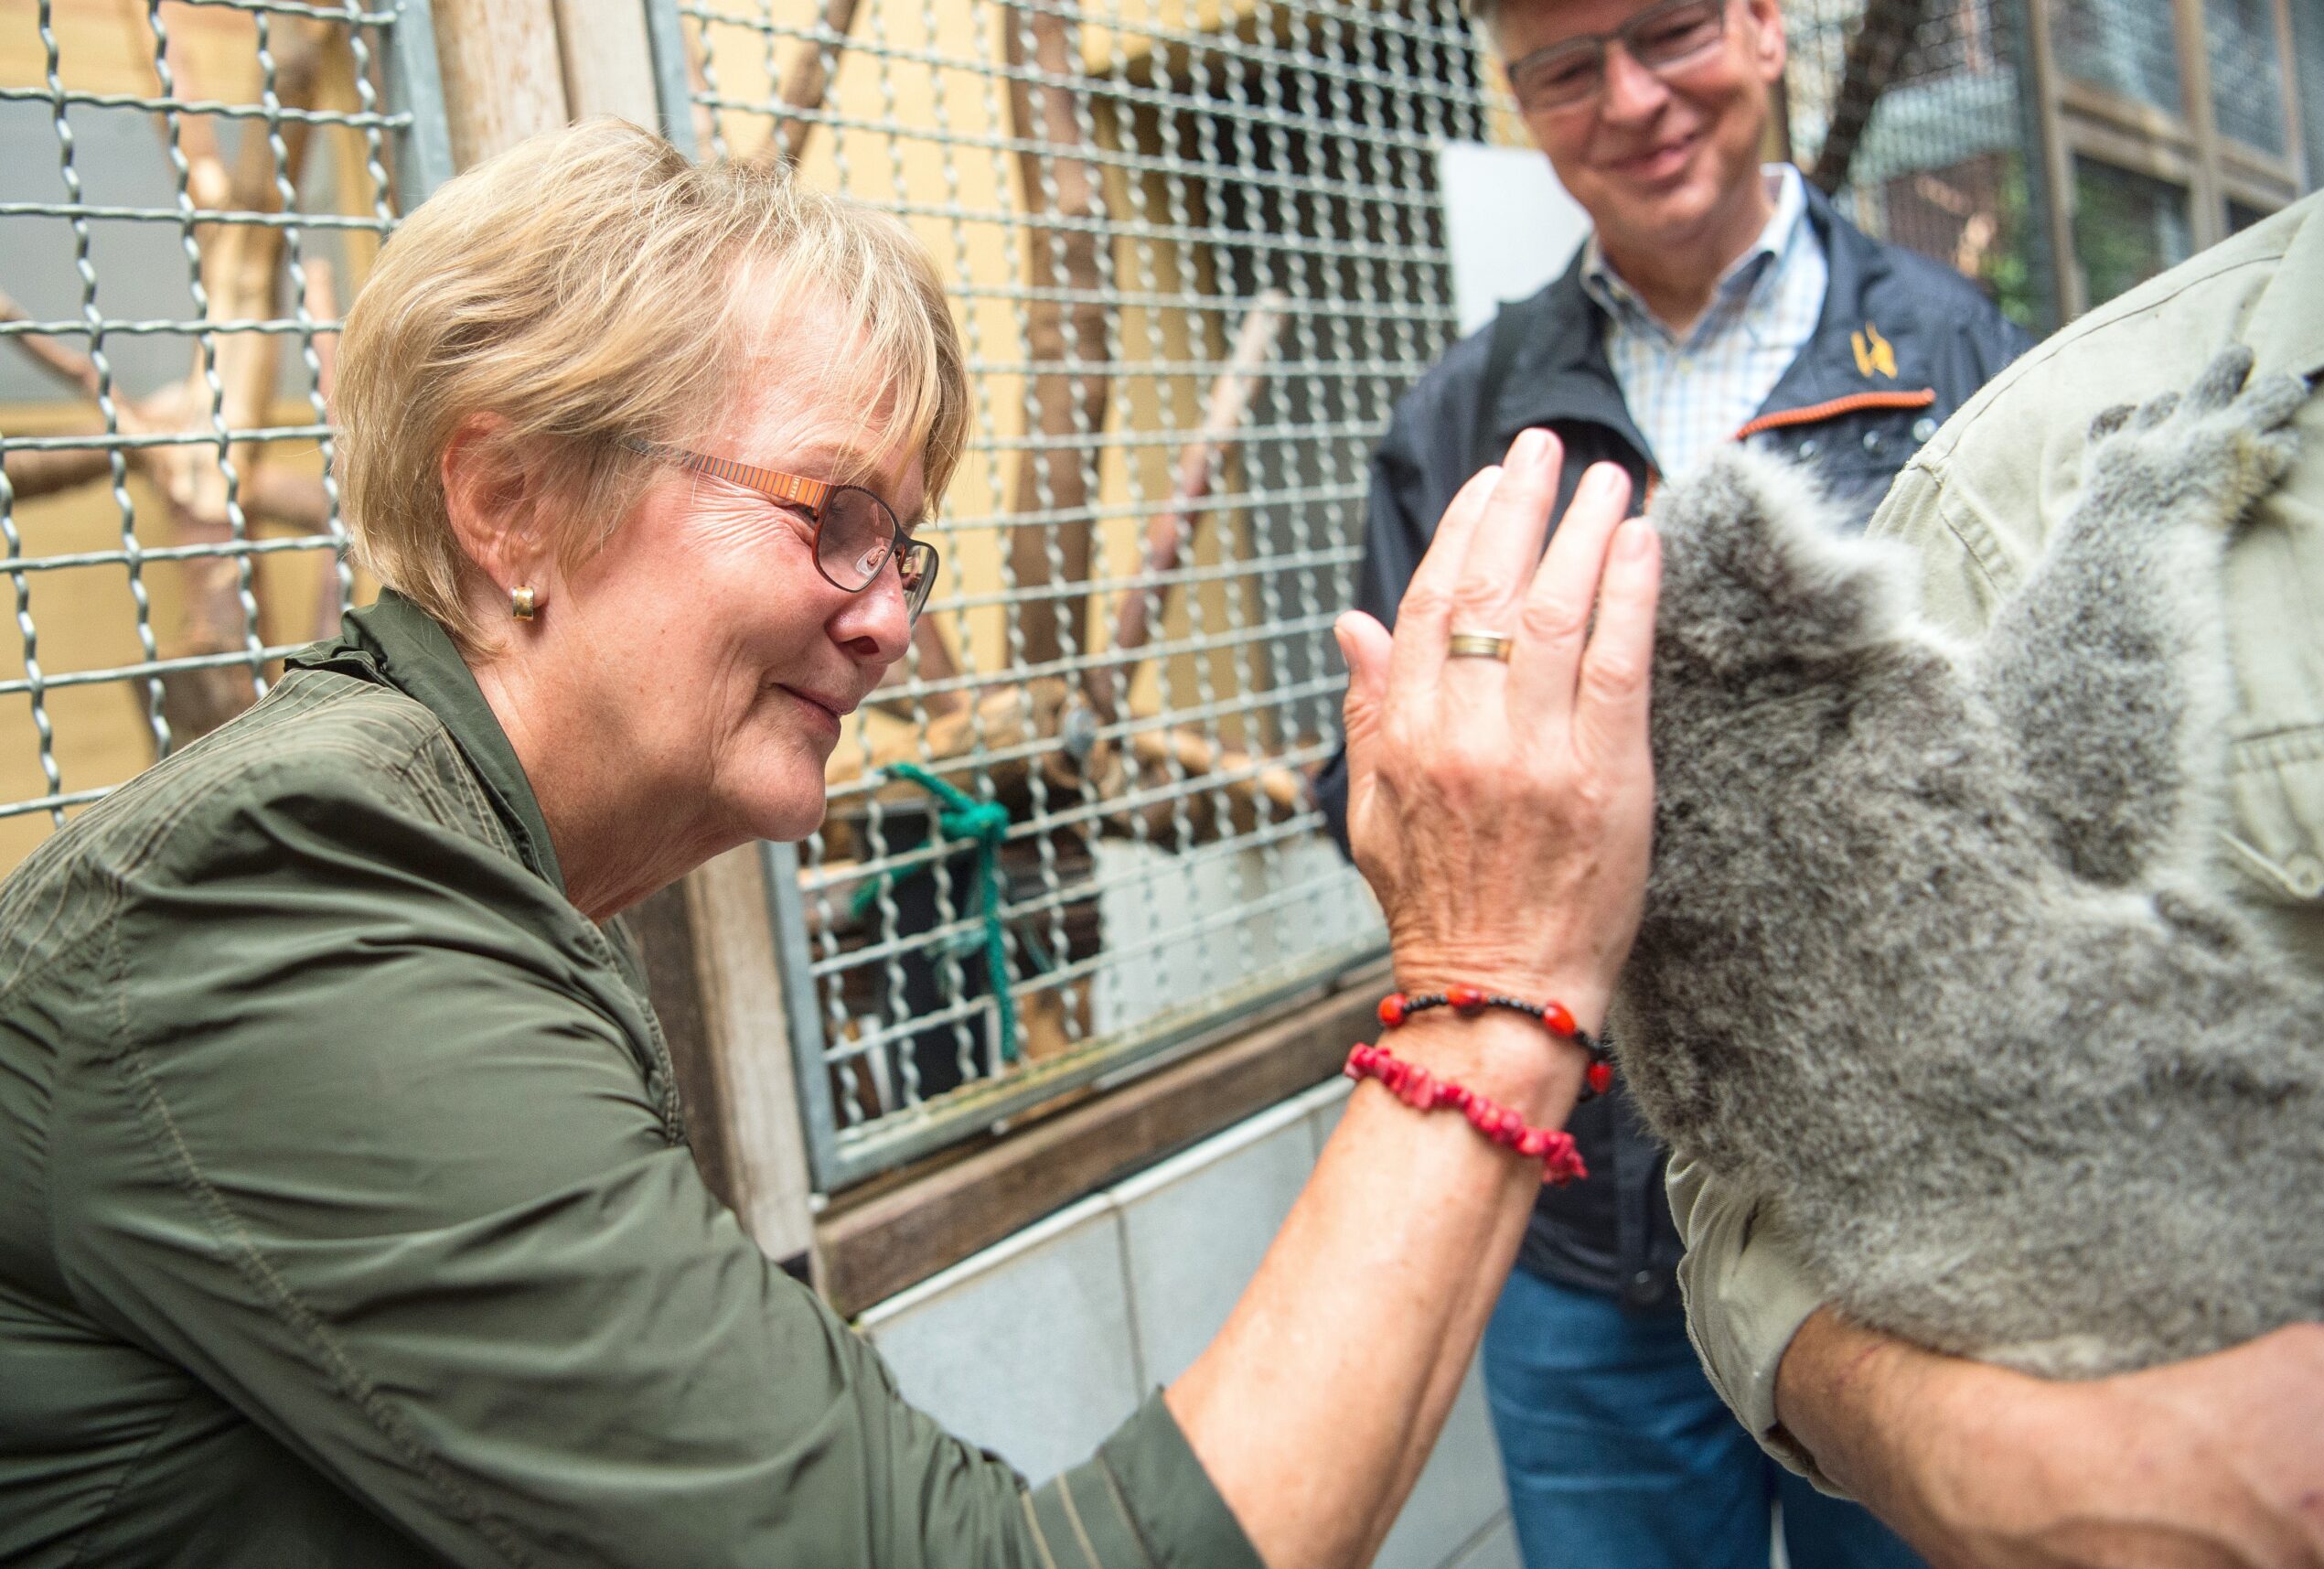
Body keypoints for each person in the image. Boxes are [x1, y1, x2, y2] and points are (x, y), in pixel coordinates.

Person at [0, 120, 1665, 1569]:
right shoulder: (299, 892)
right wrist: (1493, 980)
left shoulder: (465, 869)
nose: (890, 627)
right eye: (832, 518)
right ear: (509, 503)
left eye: (907, 550)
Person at [1313, 0, 2026, 1562]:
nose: (1631, 98)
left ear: (1767, 29)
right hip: (1583, 1234)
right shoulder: (1462, 415)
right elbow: (1370, 783)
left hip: (1899, 1210)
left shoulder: (1966, 355)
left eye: (1672, 31)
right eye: (1567, 66)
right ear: (1521, 99)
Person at [1671, 173, 2324, 1567]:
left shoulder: (1948, 335)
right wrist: (1988, 1461)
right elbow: (2055, 796)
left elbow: (2043, 802)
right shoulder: (2012, 460)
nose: (1633, 99)